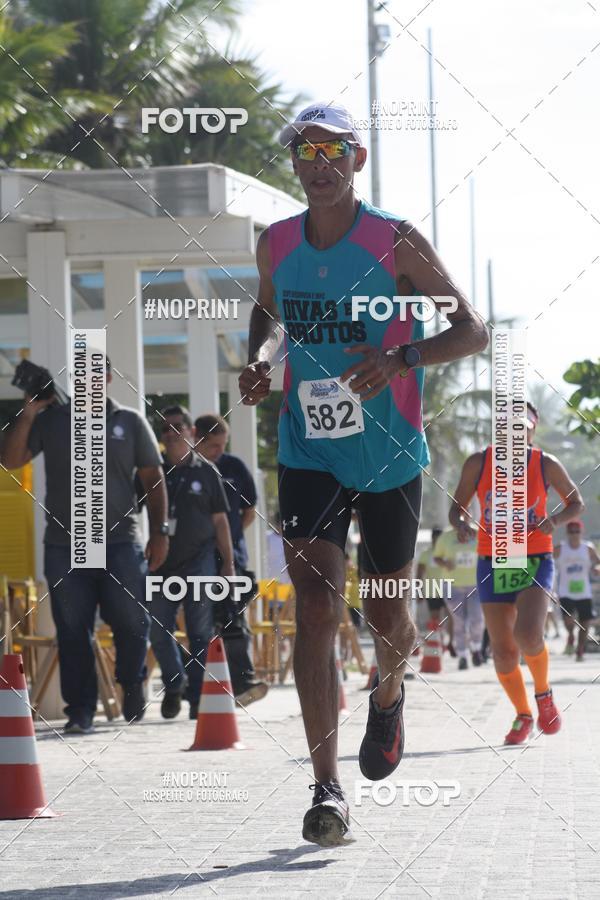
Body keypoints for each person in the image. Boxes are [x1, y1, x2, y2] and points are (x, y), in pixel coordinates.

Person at [237, 101, 488, 846]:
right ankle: (326, 789)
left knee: (386, 615)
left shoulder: (395, 240)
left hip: (387, 455)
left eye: (332, 151)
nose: (318, 164)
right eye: (305, 152)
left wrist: (402, 358)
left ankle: (388, 689)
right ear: (294, 165)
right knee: (315, 603)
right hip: (307, 448)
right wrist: (260, 361)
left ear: (357, 160)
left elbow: (470, 330)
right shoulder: (276, 242)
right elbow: (267, 313)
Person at [0, 357, 168, 732]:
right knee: (72, 628)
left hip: (121, 540)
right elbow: (10, 460)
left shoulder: (129, 421)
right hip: (65, 544)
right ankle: (80, 710)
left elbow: (154, 478)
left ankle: (131, 680)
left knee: (130, 618)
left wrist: (161, 532)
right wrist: (27, 413)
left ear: (107, 378)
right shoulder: (52, 421)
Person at [450, 402, 584, 745]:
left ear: (531, 430)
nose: (514, 432)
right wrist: (462, 525)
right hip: (492, 559)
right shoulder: (479, 462)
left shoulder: (544, 463)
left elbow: (576, 502)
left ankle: (544, 694)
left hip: (534, 556)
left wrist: (554, 521)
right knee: (504, 651)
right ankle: (523, 714)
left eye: (521, 426)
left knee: (527, 635)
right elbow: (456, 510)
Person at [149, 406, 234, 720]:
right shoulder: (150, 469)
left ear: (190, 431)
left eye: (177, 426)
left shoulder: (206, 471)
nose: (171, 433)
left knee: (199, 631)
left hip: (199, 561)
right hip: (160, 563)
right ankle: (174, 685)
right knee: (158, 629)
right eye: (165, 428)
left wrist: (229, 562)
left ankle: (199, 696)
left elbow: (221, 521)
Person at [194, 413, 269, 706]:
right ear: (197, 440)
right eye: (213, 446)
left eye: (222, 445)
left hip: (232, 559)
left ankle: (241, 682)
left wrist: (231, 539)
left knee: (234, 619)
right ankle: (198, 687)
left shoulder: (234, 467)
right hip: (196, 558)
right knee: (201, 622)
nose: (219, 452)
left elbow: (248, 511)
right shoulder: (188, 469)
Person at [434, 525, 484, 669]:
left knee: (477, 619)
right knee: (459, 621)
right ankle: (462, 655)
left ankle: (476, 648)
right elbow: (437, 557)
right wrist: (444, 563)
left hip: (475, 584)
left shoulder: (478, 532)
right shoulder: (446, 537)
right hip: (452, 585)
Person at [554, 519, 600, 661]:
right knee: (569, 621)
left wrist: (597, 568)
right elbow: (548, 561)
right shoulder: (561, 548)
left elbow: (598, 562)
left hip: (583, 591)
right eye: (571, 531)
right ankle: (571, 635)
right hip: (565, 590)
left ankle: (580, 649)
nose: (574, 534)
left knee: (585, 622)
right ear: (567, 533)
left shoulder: (588, 548)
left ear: (581, 532)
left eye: (577, 531)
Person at [416, 527, 455, 655]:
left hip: (447, 587)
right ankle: (438, 642)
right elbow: (419, 574)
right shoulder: (426, 554)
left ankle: (451, 643)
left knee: (451, 616)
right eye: (435, 539)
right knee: (435, 619)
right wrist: (419, 591)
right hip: (432, 589)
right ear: (432, 539)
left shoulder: (448, 553)